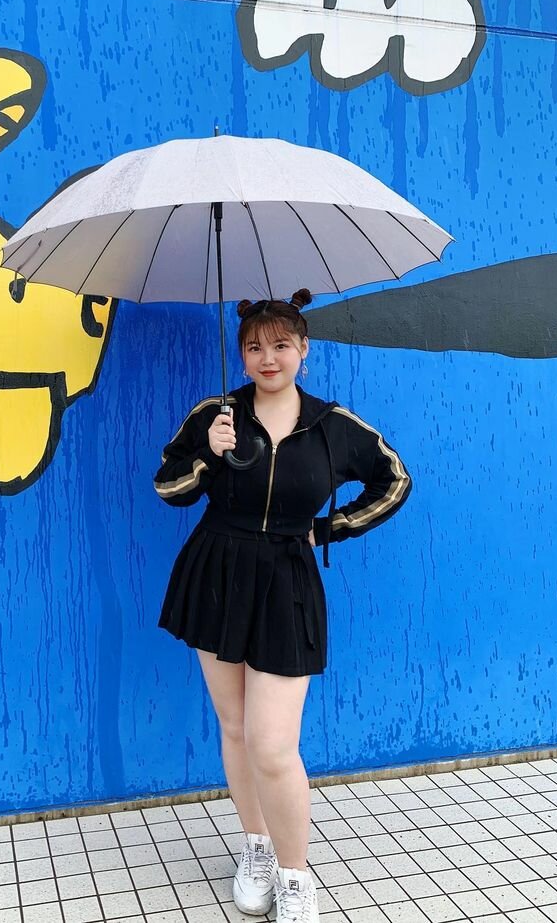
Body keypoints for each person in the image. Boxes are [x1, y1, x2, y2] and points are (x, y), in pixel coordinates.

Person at [153, 290, 412, 923]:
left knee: (272, 744)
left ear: (303, 350)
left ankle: (296, 877)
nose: (267, 358)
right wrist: (209, 455)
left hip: (287, 583)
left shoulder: (332, 425)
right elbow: (168, 487)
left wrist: (328, 529)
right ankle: (256, 846)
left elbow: (394, 480)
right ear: (241, 355)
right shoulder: (216, 415)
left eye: (280, 345)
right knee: (236, 728)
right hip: (216, 573)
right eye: (253, 347)